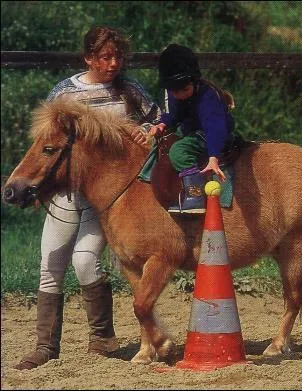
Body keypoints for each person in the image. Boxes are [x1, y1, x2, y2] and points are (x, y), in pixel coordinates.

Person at [14, 26, 161, 370]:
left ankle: (102, 338)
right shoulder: (65, 93)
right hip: (67, 194)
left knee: (84, 261)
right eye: (105, 57)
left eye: (118, 57)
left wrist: (147, 136)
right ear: (89, 58)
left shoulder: (130, 91)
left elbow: (156, 128)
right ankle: (44, 346)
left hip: (109, 199)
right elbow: (47, 143)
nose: (113, 63)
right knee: (50, 263)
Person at [149, 43, 235, 214]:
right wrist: (163, 123)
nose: (179, 95)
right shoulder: (176, 93)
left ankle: (195, 196)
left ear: (194, 82)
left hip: (211, 133)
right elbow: (174, 114)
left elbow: (215, 128)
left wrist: (213, 157)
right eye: (174, 91)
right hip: (193, 130)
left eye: (183, 89)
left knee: (178, 150)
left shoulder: (208, 98)